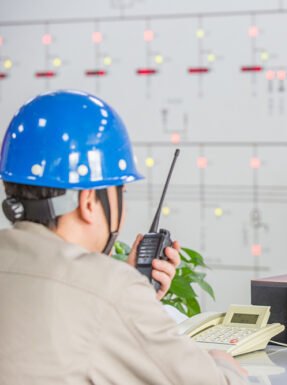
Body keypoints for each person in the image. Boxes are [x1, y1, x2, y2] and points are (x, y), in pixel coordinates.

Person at [0, 90, 248, 384]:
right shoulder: (108, 290)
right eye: (122, 193)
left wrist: (132, 296)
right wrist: (223, 363)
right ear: (90, 202)